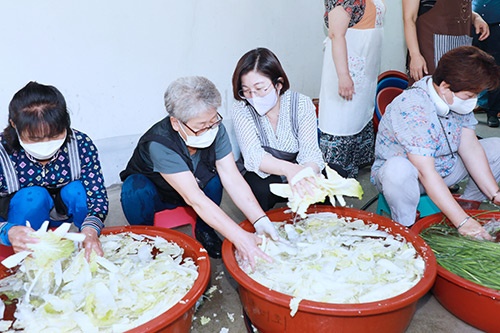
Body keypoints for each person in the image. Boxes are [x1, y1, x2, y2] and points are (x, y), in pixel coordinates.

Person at [120, 76, 277, 264]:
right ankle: (143, 237)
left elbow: (233, 177)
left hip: (195, 185)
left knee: (216, 180)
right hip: (158, 192)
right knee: (134, 189)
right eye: (201, 126)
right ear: (176, 123)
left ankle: (205, 230)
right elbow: (194, 198)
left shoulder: (215, 129)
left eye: (213, 120)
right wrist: (240, 238)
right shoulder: (159, 143)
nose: (210, 128)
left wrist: (260, 220)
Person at [371, 46, 500, 240]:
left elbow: (470, 149)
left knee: (496, 148)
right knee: (397, 170)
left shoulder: (454, 99)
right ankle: (406, 226)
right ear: (445, 87)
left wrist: (495, 195)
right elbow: (424, 171)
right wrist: (461, 222)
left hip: (444, 167)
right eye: (469, 96)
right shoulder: (414, 106)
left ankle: (468, 206)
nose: (472, 102)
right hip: (410, 178)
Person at [0, 82, 108, 259]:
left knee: (78, 191)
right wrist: (8, 231)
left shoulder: (80, 144)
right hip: (17, 219)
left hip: (61, 211)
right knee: (33, 197)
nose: (45, 144)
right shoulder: (2, 153)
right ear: (14, 124)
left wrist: (90, 230)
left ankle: (86, 247)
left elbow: (97, 197)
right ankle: (25, 252)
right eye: (34, 138)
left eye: (54, 135)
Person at [231, 48, 325, 211]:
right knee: (256, 188)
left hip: (299, 165)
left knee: (329, 178)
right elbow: (253, 155)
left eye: (260, 89)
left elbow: (310, 151)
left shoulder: (301, 104)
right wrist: (288, 170)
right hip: (265, 172)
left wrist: (304, 175)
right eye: (246, 91)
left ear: (278, 84)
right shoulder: (241, 109)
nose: (253, 97)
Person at [318, 0, 386, 178]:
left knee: (360, 114)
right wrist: (343, 75)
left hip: (365, 67)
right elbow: (336, 35)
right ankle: (337, 171)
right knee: (342, 118)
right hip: (346, 67)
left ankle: (357, 163)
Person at [403, 0, 490, 83]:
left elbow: (460, 7)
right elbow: (409, 18)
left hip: (460, 48)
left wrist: (475, 18)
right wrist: (415, 55)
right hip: (429, 50)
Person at [472, 0, 500, 128]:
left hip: (495, 27)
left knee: (494, 69)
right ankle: (467, 107)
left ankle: (492, 113)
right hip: (470, 25)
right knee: (470, 67)